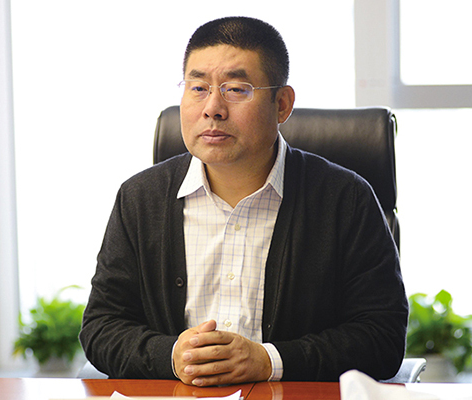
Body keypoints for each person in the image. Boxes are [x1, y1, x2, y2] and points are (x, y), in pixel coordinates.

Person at [79, 16, 408, 386]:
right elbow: (102, 326)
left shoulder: (346, 199)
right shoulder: (140, 199)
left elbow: (382, 338)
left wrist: (269, 361)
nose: (213, 108)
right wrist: (170, 355)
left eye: (236, 89)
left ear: (281, 104)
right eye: (198, 87)